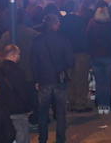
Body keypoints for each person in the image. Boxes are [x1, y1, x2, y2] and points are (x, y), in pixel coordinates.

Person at [31, 14, 73, 143]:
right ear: (55, 24)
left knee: (43, 112)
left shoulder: (37, 40)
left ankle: (42, 139)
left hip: (44, 80)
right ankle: (60, 139)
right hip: (59, 80)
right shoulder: (63, 39)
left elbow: (33, 62)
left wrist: (36, 79)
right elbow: (70, 61)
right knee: (61, 113)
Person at [0, 44, 35, 143]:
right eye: (18, 54)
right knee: (21, 136)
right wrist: (29, 106)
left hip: (1, 109)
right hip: (18, 110)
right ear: (13, 55)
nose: (19, 57)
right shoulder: (19, 71)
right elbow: (23, 91)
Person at [87, 5, 111, 114]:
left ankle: (100, 104)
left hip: (96, 57)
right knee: (107, 81)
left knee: (99, 82)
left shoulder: (92, 24)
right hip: (109, 57)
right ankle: (106, 104)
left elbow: (88, 39)